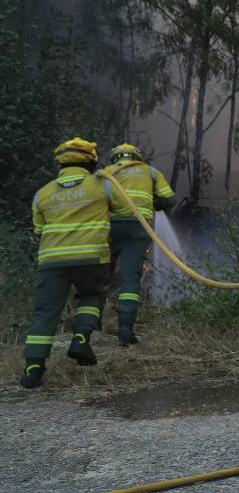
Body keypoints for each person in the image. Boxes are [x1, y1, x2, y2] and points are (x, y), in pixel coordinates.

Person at [19, 138, 123, 389]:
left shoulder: (42, 193)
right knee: (92, 295)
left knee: (45, 313)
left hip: (52, 261)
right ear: (91, 161)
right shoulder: (103, 185)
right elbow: (123, 209)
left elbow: (39, 228)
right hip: (92, 257)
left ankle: (33, 369)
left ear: (59, 164)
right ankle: (80, 337)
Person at [102, 144, 177, 345]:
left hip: (108, 230)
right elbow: (169, 200)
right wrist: (154, 204)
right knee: (130, 281)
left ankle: (90, 327)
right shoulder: (150, 172)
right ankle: (125, 330)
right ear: (138, 157)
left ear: (115, 158)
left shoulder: (105, 173)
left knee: (100, 276)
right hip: (137, 229)